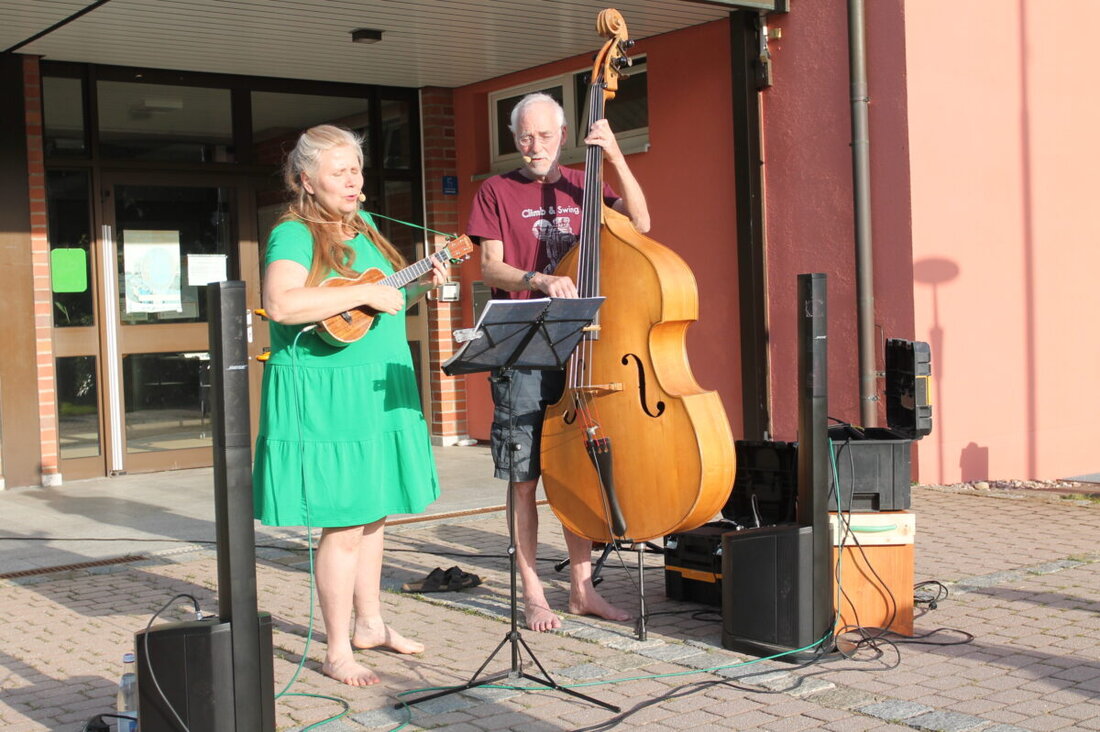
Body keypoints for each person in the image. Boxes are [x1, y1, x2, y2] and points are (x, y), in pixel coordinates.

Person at [252, 124, 446, 686]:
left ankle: (371, 624)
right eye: (339, 172)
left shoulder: (364, 226)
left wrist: (420, 285)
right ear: (306, 179)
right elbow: (282, 303)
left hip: (375, 386)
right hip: (328, 397)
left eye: (356, 170)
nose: (353, 181)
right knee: (342, 523)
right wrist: (365, 290)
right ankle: (337, 650)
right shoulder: (294, 232)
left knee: (374, 512)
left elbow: (375, 306)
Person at [466, 93, 651, 632]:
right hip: (523, 348)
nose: (535, 147)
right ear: (513, 137)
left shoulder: (583, 183)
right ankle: (532, 595)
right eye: (525, 136)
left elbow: (640, 224)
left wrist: (614, 155)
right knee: (524, 478)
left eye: (545, 136)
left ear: (564, 134)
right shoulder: (496, 190)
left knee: (576, 471)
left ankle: (580, 589)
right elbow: (490, 267)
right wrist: (540, 280)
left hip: (582, 347)